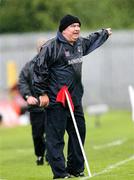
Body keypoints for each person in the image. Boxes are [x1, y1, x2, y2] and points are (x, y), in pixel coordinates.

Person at [33, 14, 112, 179]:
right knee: (56, 138)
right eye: (73, 26)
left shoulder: (79, 44)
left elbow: (91, 39)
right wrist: (42, 94)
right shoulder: (51, 47)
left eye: (78, 26)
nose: (77, 29)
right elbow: (39, 69)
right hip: (56, 100)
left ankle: (75, 169)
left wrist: (104, 33)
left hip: (75, 99)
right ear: (63, 29)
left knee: (79, 133)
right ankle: (60, 174)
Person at [18, 38, 48, 165]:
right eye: (40, 47)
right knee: (37, 135)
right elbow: (22, 82)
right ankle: (40, 155)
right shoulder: (29, 66)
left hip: (51, 106)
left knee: (53, 133)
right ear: (37, 49)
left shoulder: (54, 64)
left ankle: (52, 157)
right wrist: (27, 96)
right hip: (35, 107)